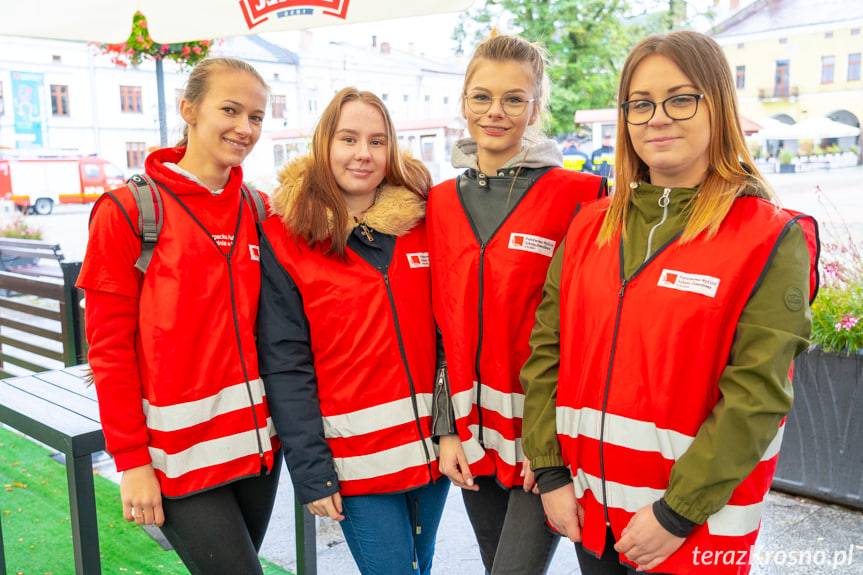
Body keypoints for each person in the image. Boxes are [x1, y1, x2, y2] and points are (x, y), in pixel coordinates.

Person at [521, 30, 819, 575]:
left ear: (719, 105)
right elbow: (547, 351)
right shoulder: (590, 226)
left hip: (691, 529)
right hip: (593, 515)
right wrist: (550, 472)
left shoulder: (770, 237)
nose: (657, 117)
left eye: (681, 98)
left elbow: (755, 398)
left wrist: (675, 514)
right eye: (640, 103)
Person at [78, 57, 281, 574]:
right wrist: (132, 463)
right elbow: (108, 351)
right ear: (188, 109)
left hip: (257, 450)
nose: (245, 128)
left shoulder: (259, 209)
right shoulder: (127, 211)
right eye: (230, 110)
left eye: (256, 117)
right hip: (180, 458)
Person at [427, 34, 607, 574]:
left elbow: (590, 328)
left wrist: (549, 446)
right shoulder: (437, 201)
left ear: (536, 106)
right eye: (482, 97)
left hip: (544, 444)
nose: (495, 112)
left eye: (514, 98)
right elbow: (438, 329)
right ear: (463, 102)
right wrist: (446, 429)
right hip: (472, 440)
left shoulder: (582, 196)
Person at [257, 87, 449, 575]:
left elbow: (450, 333)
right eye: (349, 139)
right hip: (355, 463)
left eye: (377, 141)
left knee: (419, 568)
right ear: (324, 144)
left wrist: (452, 430)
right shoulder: (286, 237)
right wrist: (312, 473)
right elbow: (285, 363)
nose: (363, 154)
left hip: (433, 454)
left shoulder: (423, 222)